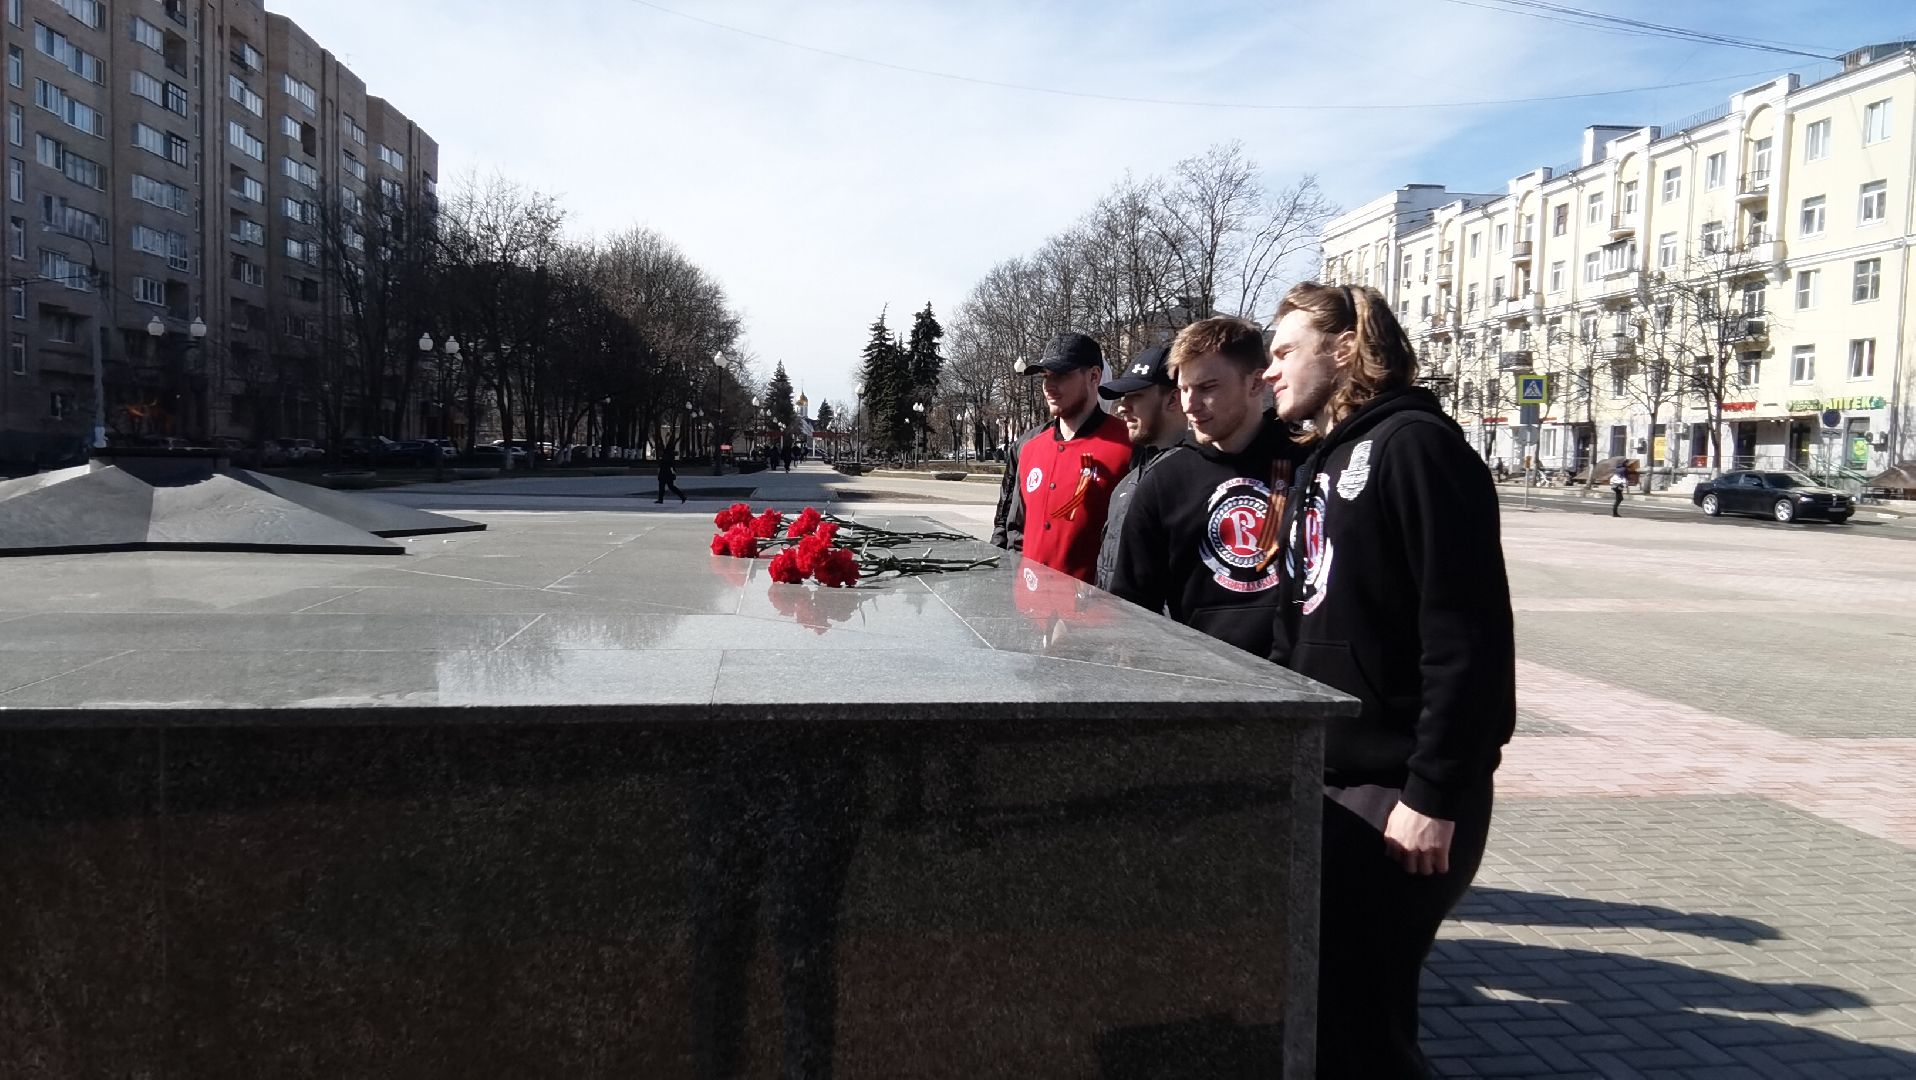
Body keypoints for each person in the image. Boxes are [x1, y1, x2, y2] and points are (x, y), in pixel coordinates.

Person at [1262, 282, 1515, 1079]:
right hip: (1337, 780)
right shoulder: (1323, 461)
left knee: (1361, 1033)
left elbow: (1468, 640)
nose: (1270, 371)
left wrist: (1435, 794)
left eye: (1283, 351)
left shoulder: (1417, 448)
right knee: (1332, 1015)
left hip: (1403, 798)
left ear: (1343, 349)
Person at [1106, 319, 1304, 656]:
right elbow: (1132, 608)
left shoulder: (1310, 464)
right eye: (1184, 389)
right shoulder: (1163, 482)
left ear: (1256, 383)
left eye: (1207, 387)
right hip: (1199, 687)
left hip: (1305, 686)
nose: (1190, 404)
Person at [988, 332, 1132, 582]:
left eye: (1061, 375)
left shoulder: (1128, 446)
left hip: (1093, 613)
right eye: (1045, 376)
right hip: (1030, 609)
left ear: (1094, 376)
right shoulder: (1030, 449)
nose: (1048, 386)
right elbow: (1016, 531)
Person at [1092, 343, 1187, 592]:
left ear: (1174, 399)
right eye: (1123, 398)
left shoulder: (1192, 481)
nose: (1123, 407)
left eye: (1136, 396)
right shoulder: (1130, 478)